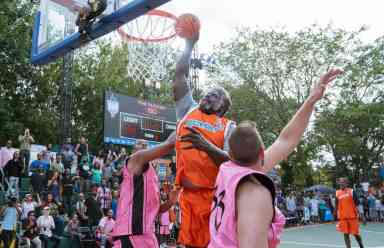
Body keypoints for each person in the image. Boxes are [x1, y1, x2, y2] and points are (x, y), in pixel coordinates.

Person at [207, 68, 343, 248]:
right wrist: (312, 97)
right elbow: (284, 141)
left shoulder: (227, 170)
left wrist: (312, 99)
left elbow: (286, 140)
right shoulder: (254, 193)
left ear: (230, 155)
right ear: (262, 153)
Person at [172, 35, 236, 248]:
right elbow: (179, 74)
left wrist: (205, 146)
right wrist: (189, 44)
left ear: (222, 107)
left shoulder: (228, 126)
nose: (208, 95)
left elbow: (232, 165)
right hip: (189, 196)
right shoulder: (187, 109)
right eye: (208, 92)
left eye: (215, 96)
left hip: (215, 197)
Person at [112, 135, 178, 248]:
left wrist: (171, 201)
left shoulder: (151, 175)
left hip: (146, 234)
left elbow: (155, 209)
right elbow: (169, 144)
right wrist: (183, 123)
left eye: (145, 144)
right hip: (130, 234)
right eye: (139, 143)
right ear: (133, 151)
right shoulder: (135, 159)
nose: (143, 144)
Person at [335, 177, 364, 248]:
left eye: (343, 182)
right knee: (345, 234)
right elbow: (336, 206)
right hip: (343, 217)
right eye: (340, 182)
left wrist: (362, 216)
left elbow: (358, 204)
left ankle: (361, 246)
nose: (341, 183)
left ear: (346, 183)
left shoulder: (351, 191)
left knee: (356, 234)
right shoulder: (337, 193)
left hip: (352, 217)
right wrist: (336, 215)